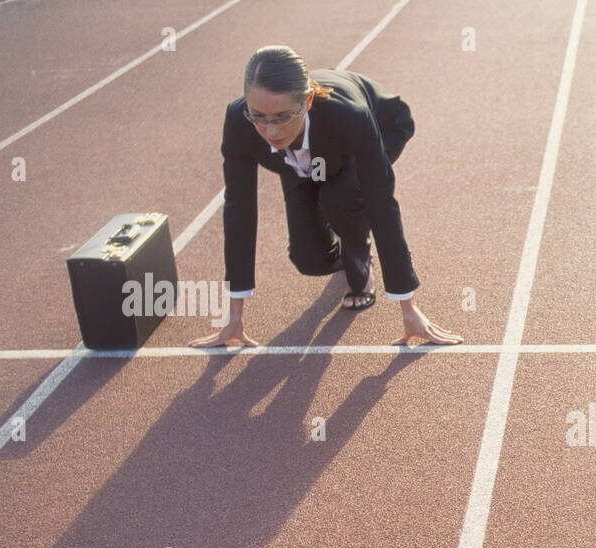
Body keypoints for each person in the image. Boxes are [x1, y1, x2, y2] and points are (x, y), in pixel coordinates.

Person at [192, 45, 461, 348]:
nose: (270, 130)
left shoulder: (350, 116)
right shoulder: (240, 122)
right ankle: (338, 242)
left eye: (282, 116)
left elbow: (382, 204)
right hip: (302, 160)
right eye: (259, 116)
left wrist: (408, 307)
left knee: (341, 196)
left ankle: (358, 255)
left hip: (371, 134)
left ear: (307, 101)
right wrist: (233, 317)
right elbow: (239, 209)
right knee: (308, 259)